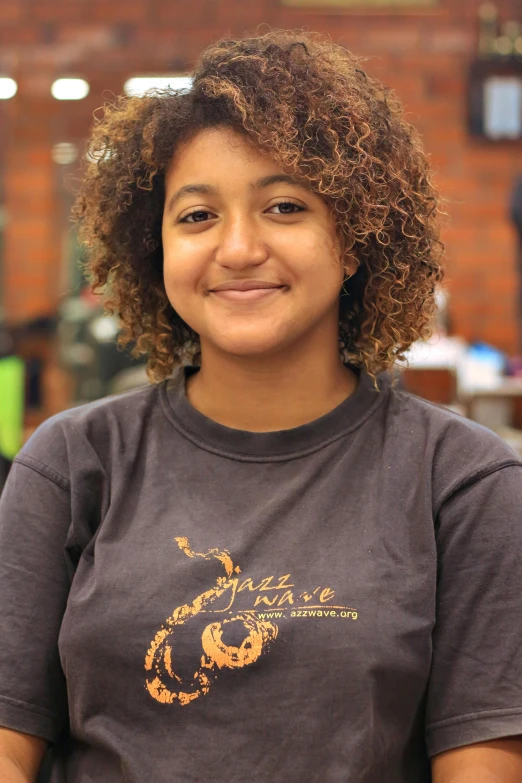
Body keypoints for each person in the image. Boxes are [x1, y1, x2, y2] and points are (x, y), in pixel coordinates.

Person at [0, 30, 521, 783]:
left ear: (353, 239)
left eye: (283, 206)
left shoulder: (464, 480)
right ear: (157, 251)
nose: (238, 248)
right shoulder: (73, 462)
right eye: (197, 216)